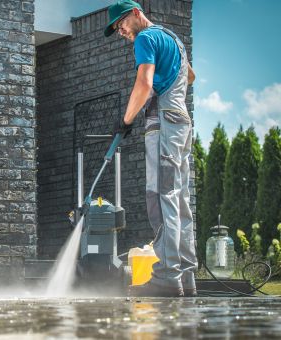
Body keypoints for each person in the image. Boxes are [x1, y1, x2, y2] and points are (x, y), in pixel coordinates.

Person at [105, 0, 197, 297]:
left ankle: (167, 276)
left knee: (161, 195)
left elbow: (143, 84)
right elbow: (190, 76)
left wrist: (125, 120)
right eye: (117, 29)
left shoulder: (145, 37)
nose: (120, 31)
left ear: (135, 13)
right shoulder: (173, 39)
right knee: (178, 198)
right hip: (181, 122)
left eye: (120, 23)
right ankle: (185, 276)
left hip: (164, 124)